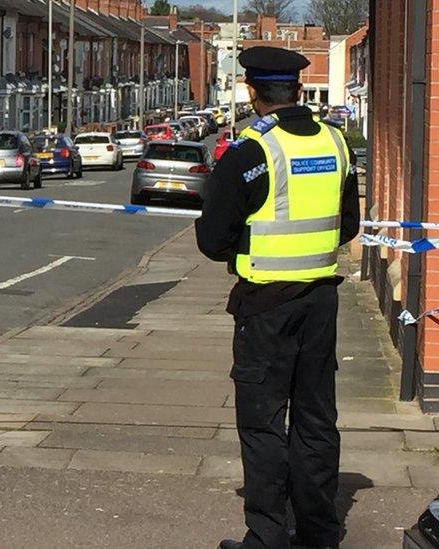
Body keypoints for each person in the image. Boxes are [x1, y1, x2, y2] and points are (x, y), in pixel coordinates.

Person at [195, 46, 360, 549]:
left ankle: (266, 539)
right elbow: (347, 226)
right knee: (316, 419)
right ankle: (319, 534)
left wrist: (245, 246)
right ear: (297, 88)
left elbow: (211, 239)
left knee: (264, 423)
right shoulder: (337, 143)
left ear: (252, 90)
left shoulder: (251, 151)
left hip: (266, 306)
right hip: (321, 302)